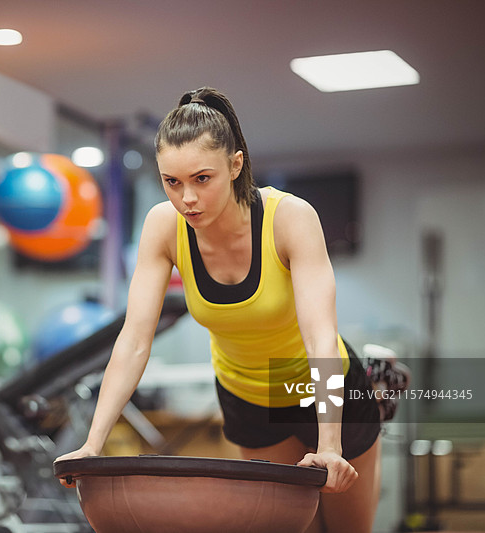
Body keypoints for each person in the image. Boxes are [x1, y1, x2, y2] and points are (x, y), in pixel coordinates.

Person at [55, 87, 385, 533]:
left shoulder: (290, 218)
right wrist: (92, 445)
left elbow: (320, 337)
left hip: (326, 395)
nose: (186, 198)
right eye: (172, 182)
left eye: (202, 179)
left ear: (235, 165)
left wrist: (330, 444)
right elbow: (134, 341)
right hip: (247, 397)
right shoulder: (163, 227)